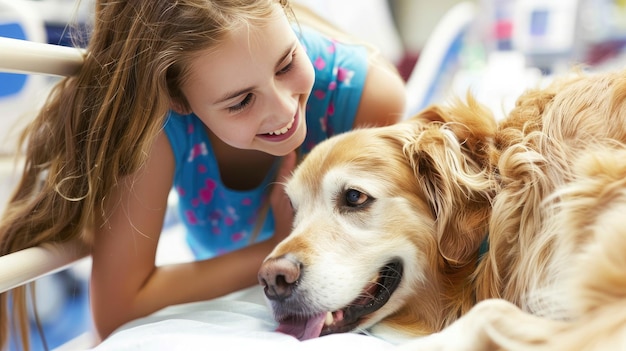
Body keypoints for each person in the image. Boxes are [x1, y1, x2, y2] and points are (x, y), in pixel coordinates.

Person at [0, 0, 406, 349]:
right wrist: (275, 249)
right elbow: (115, 310)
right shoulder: (156, 129)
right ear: (178, 100)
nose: (284, 111)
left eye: (286, 64)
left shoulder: (369, 97)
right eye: (241, 101)